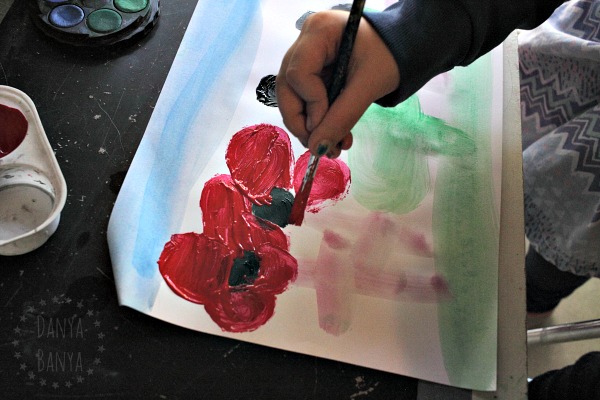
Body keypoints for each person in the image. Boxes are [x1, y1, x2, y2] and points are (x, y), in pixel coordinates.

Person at [276, 0, 600, 398]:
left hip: (592, 213)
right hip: (567, 74)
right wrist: (403, 34)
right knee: (522, 221)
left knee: (558, 262)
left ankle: (532, 302)